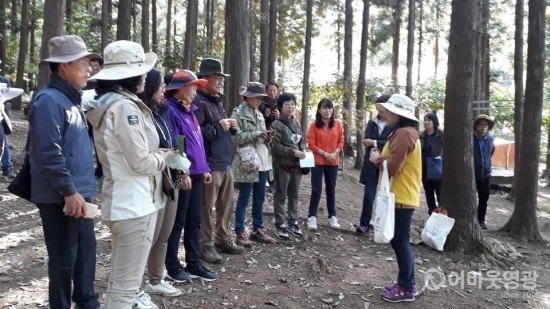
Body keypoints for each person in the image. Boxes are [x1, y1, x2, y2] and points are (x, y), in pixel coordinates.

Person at [86, 40, 169, 309]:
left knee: (120, 283)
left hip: (124, 201)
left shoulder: (114, 104)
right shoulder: (124, 108)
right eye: (143, 70)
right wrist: (165, 157)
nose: (147, 75)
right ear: (131, 74)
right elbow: (140, 162)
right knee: (126, 288)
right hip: (134, 205)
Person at [28, 35, 101, 309]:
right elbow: (48, 152)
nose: (89, 69)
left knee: (85, 251)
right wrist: (69, 192)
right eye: (83, 63)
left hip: (79, 192)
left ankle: (86, 300)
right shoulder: (48, 100)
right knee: (62, 259)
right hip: (61, 196)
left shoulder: (71, 99)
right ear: (64, 66)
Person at [163, 70, 218, 283]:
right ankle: (172, 266)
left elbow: (196, 143)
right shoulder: (170, 110)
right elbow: (174, 145)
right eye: (192, 86)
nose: (196, 91)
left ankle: (194, 263)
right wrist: (182, 173)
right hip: (181, 174)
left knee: (194, 221)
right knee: (177, 222)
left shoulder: (190, 111)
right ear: (179, 89)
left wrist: (204, 168)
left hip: (195, 174)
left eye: (196, 86)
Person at [369, 94, 421, 302]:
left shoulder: (404, 134)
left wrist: (376, 159)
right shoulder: (405, 132)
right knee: (400, 241)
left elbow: (392, 167)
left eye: (388, 110)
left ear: (398, 113)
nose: (384, 113)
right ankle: (406, 282)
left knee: (400, 242)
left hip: (400, 195)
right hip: (401, 194)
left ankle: (407, 288)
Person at [193, 58, 244, 264]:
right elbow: (196, 134)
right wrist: (219, 127)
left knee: (226, 204)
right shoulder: (197, 101)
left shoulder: (217, 103)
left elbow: (220, 130)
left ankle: (223, 239)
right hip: (209, 165)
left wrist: (231, 127)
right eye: (217, 78)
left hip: (225, 163)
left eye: (221, 78)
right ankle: (205, 244)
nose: (221, 82)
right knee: (206, 207)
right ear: (204, 79)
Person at [137, 68, 182, 297]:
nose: (164, 89)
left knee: (164, 233)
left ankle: (155, 279)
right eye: (161, 85)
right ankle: (136, 285)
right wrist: (163, 154)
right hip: (152, 181)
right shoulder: (142, 115)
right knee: (149, 236)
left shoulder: (162, 112)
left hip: (170, 179)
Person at [232, 82, 276, 246]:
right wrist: (256, 134)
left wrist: (267, 137)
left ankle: (258, 230)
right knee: (244, 197)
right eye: (256, 97)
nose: (259, 100)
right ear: (247, 96)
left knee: (259, 198)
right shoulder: (238, 113)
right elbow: (236, 137)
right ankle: (240, 232)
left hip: (263, 159)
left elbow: (261, 136)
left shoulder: (259, 114)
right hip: (248, 160)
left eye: (260, 97)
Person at [270, 92, 307, 238]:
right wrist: (293, 152)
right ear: (280, 107)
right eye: (287, 104)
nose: (290, 107)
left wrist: (303, 149)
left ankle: (293, 221)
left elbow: (301, 140)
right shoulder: (276, 125)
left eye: (292, 104)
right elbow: (275, 146)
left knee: (294, 195)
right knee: (280, 195)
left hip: (297, 166)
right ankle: (280, 224)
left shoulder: (297, 123)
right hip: (282, 166)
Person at [357, 95, 395, 234]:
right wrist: (376, 142)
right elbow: (366, 139)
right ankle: (364, 224)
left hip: (387, 163)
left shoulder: (395, 125)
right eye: (378, 108)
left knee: (387, 196)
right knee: (369, 195)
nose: (381, 111)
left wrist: (374, 142)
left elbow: (390, 143)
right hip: (371, 163)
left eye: (383, 108)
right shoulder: (372, 122)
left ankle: (384, 226)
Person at [305, 98, 344, 231]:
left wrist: (335, 152)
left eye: (329, 108)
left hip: (333, 161)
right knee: (316, 189)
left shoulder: (338, 124)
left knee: (331, 189)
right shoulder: (314, 125)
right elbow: (311, 143)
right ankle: (312, 217)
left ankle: (332, 217)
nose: (327, 111)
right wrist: (324, 153)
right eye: (324, 108)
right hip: (318, 161)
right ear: (319, 110)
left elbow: (341, 140)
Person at [473, 114, 495, 230]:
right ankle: (471, 219)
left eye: (486, 125)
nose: (483, 127)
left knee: (483, 199)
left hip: (486, 174)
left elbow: (491, 153)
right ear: (476, 125)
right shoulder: (471, 139)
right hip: (472, 174)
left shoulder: (490, 140)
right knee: (471, 198)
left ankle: (481, 220)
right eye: (481, 124)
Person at [421, 113, 443, 215]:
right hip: (424, 169)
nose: (426, 122)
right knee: (429, 194)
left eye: (429, 120)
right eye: (425, 120)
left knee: (440, 194)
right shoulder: (421, 136)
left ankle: (442, 215)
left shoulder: (440, 135)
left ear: (434, 122)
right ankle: (432, 214)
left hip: (437, 169)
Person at [1, 83, 23, 177]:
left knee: (4, 145)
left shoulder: (3, 82)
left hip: (1, 122)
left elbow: (10, 92)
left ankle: (7, 167)